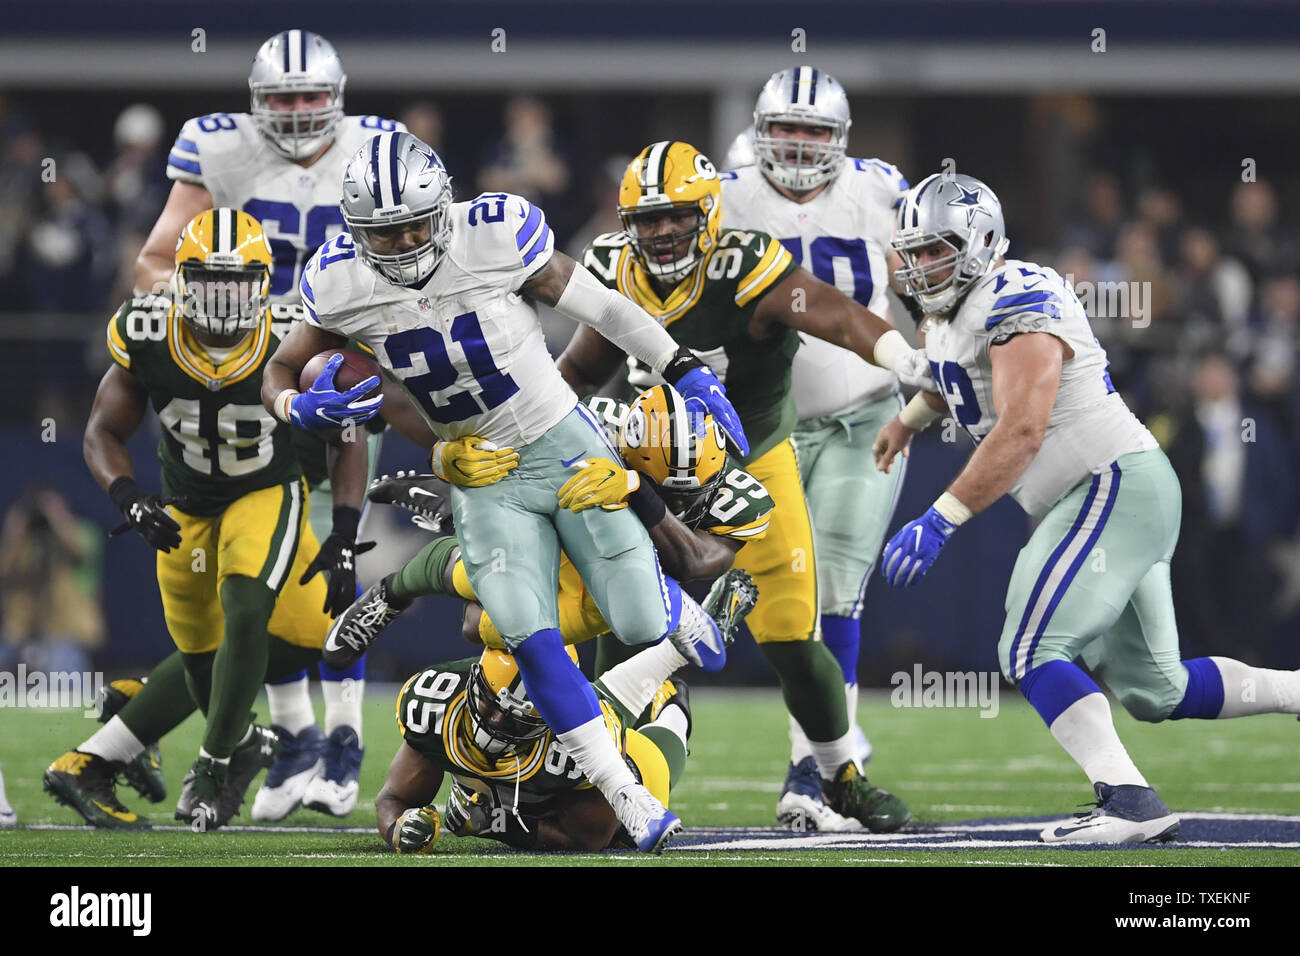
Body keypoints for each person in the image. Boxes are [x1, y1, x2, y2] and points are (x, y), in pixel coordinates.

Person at [261, 130, 748, 853]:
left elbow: (603, 307)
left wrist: (682, 367)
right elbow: (281, 365)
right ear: (357, 232)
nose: (401, 244)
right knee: (529, 633)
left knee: (643, 622)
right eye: (383, 233)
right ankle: (628, 797)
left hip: (564, 443)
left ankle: (673, 603)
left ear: (443, 208)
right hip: (481, 471)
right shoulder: (339, 281)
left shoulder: (492, 235)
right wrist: (293, 409)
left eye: (415, 226)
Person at [874, 172, 1300, 843]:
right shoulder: (954, 317)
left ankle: (1130, 801)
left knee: (1030, 646)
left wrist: (942, 518)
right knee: (1156, 690)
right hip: (1117, 493)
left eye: (937, 249)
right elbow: (955, 378)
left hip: (1109, 485)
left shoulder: (1016, 294)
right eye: (914, 251)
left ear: (981, 242)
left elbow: (1021, 429)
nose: (922, 265)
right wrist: (908, 419)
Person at [558, 139, 930, 833]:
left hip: (751, 465)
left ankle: (839, 773)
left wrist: (904, 357)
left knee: (790, 633)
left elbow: (840, 314)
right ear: (626, 223)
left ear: (710, 215)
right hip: (649, 472)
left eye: (678, 217)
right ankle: (608, 782)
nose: (663, 232)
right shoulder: (610, 268)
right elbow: (579, 370)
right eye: (648, 219)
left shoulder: (745, 264)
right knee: (625, 631)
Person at [132, 30, 404, 819]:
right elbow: (155, 262)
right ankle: (296, 737)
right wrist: (220, 310)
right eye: (279, 98)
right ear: (256, 102)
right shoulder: (216, 149)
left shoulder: (378, 151)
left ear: (337, 97)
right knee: (259, 573)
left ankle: (342, 737)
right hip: (249, 370)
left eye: (307, 97)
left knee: (330, 551)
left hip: (343, 361)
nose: (293, 112)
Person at [43, 209, 362, 831]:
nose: (222, 298)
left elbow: (352, 431)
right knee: (202, 650)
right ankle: (171, 739)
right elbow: (102, 430)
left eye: (237, 282)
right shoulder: (148, 329)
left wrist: (346, 529)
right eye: (209, 280)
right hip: (184, 502)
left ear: (265, 283)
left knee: (255, 615)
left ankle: (215, 766)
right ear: (180, 279)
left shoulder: (294, 334)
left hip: (266, 491)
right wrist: (129, 496)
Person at [722, 65, 913, 830]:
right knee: (776, 595)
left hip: (865, 414)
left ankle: (816, 766)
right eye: (787, 130)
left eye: (814, 132)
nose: (799, 146)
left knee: (834, 585)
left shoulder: (879, 191)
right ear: (761, 133)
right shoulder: (729, 196)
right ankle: (830, 749)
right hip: (767, 426)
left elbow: (930, 282)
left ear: (841, 141)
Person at [324, 385, 762, 664]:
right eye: (665, 490)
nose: (680, 502)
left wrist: (639, 490)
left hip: (633, 580)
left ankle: (445, 522)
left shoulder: (743, 499)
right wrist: (446, 464)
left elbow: (695, 562)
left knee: (476, 625)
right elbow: (527, 466)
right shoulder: (597, 426)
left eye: (690, 494)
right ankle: (398, 585)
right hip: (580, 538)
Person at [378, 646, 697, 853]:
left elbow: (590, 839)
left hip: (598, 770)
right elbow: (393, 798)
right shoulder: (441, 709)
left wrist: (492, 823)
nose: (495, 721)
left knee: (650, 773)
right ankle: (668, 656)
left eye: (515, 718)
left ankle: (673, 706)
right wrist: (399, 827)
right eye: (490, 702)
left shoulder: (573, 752)